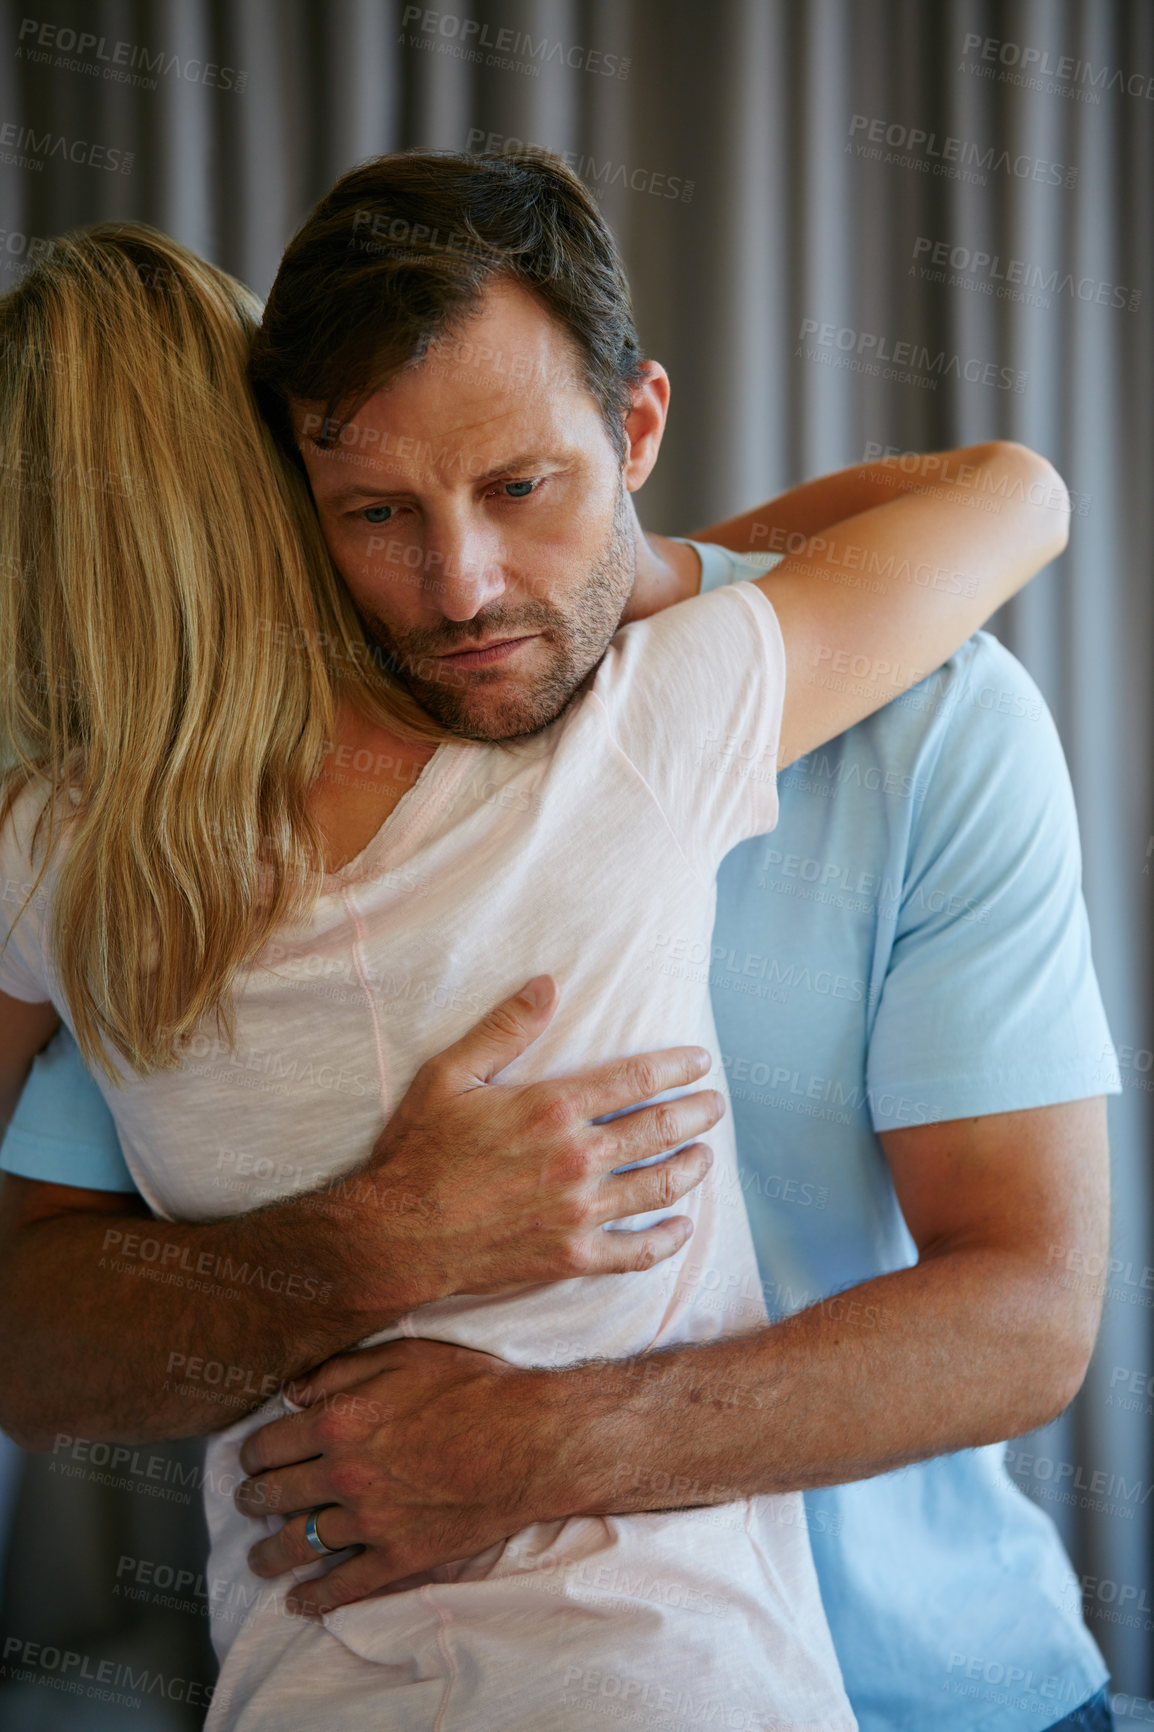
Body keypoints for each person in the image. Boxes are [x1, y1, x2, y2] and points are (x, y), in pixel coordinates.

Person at [0, 152, 1087, 1731]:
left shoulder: (922, 723)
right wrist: (371, 1239)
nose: (463, 589)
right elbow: (37, 1348)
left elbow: (1030, 1319)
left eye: (524, 485)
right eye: (376, 511)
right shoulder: (168, 864)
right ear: (282, 499)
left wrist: (532, 1447)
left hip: (955, 1689)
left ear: (632, 428)